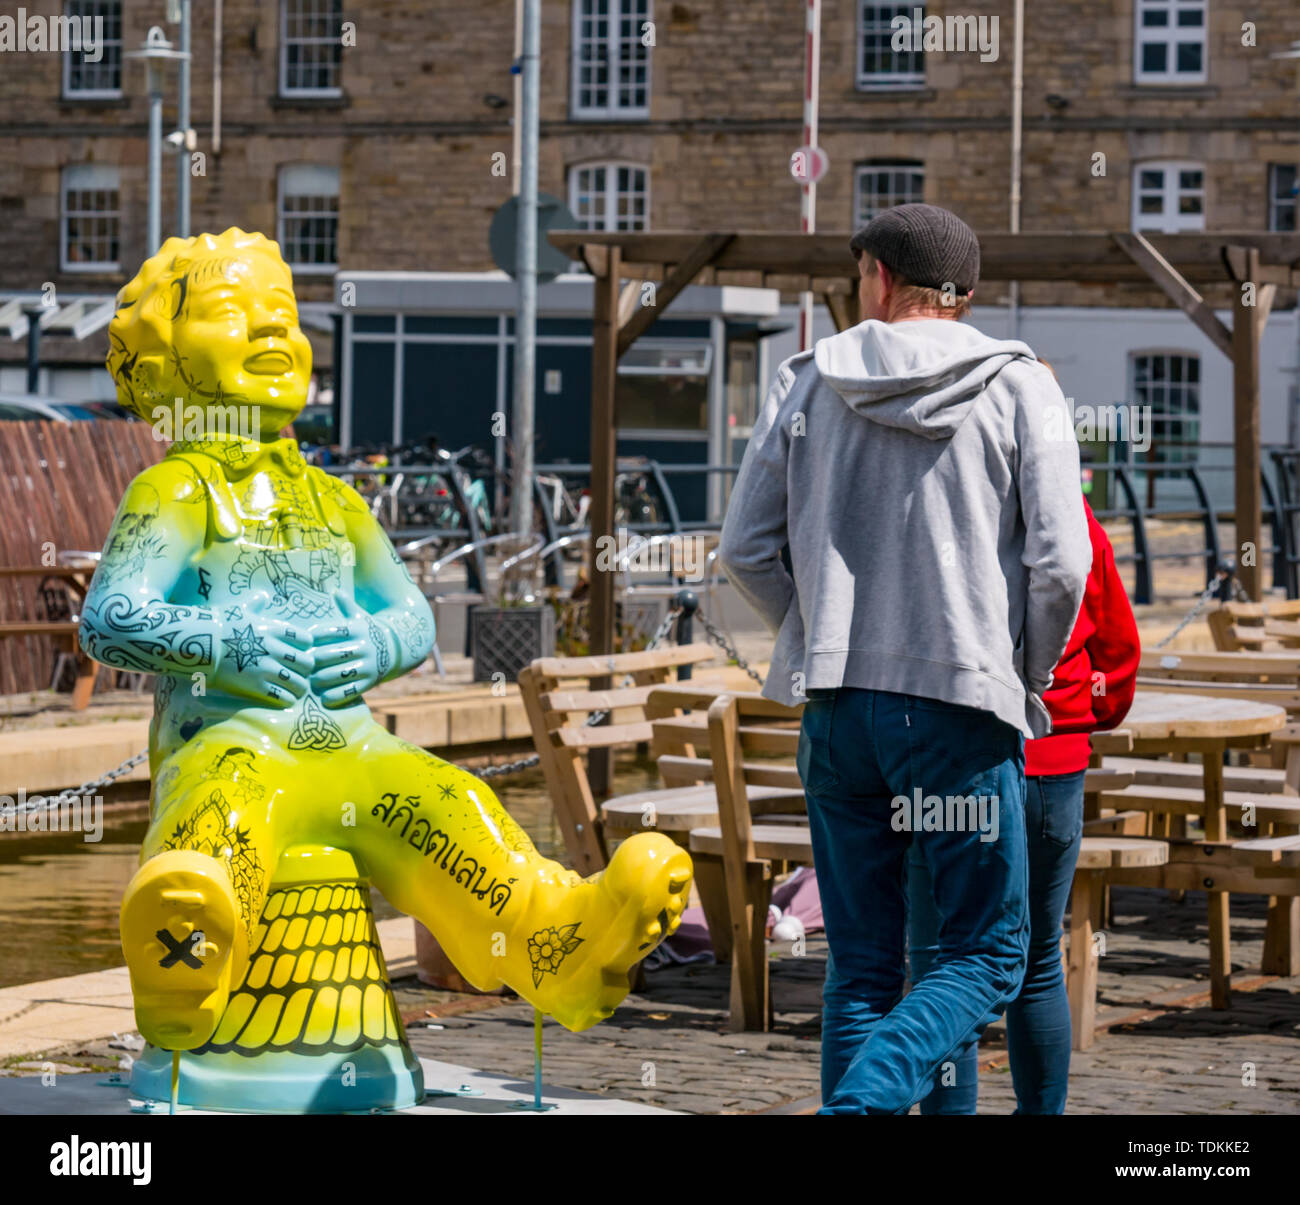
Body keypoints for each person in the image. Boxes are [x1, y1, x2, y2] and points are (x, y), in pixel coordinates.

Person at [84, 228, 692, 1051]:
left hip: (354, 750)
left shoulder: (334, 499)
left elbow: (408, 615)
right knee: (220, 825)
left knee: (457, 806)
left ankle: (558, 939)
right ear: (161, 368)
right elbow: (111, 616)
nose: (272, 330)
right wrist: (229, 641)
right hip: (229, 743)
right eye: (234, 312)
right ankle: (188, 960)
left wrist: (372, 648)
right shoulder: (176, 490)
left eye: (284, 313)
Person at [718, 203, 1091, 1114]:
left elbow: (742, 553)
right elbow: (1063, 562)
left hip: (839, 708)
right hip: (960, 706)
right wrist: (1026, 670)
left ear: (881, 277)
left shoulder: (803, 380)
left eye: (858, 278)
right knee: (990, 955)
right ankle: (873, 1092)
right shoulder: (1019, 385)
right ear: (962, 292)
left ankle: (861, 1097)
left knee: (862, 968)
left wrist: (814, 633)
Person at [909, 496, 1140, 1113]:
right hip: (1051, 759)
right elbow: (1115, 641)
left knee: (942, 965)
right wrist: (1085, 713)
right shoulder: (1070, 506)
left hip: (948, 758)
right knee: (1038, 958)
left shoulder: (938, 496)